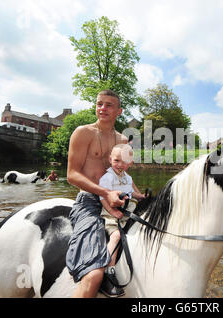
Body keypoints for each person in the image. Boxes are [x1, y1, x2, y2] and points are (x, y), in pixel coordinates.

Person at [65, 89, 134, 298]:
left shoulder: (122, 139)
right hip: (89, 201)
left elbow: (124, 175)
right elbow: (72, 175)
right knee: (94, 274)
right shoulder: (82, 132)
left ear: (119, 111)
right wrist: (105, 192)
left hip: (117, 201)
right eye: (99, 104)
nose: (102, 108)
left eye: (109, 105)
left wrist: (138, 195)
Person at [99, 144, 146, 296]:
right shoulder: (108, 177)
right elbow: (103, 196)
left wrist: (142, 197)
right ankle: (108, 272)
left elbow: (133, 193)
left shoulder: (127, 177)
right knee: (116, 236)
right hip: (110, 214)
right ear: (110, 159)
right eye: (116, 161)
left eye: (124, 162)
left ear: (130, 163)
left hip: (126, 211)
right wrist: (112, 211)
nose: (120, 165)